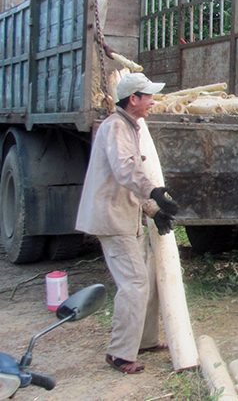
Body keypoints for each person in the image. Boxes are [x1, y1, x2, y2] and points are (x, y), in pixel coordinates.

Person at [75, 72, 179, 375]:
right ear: (133, 99)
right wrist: (154, 192)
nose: (152, 101)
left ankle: (144, 341)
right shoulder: (115, 128)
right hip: (112, 219)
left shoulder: (129, 126)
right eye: (147, 96)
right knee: (134, 284)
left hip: (126, 215)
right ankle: (120, 353)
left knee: (148, 278)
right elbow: (125, 171)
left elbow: (126, 182)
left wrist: (152, 210)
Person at [91, 0, 117, 100]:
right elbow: (96, 28)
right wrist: (106, 46)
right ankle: (92, 103)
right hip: (87, 41)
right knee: (93, 73)